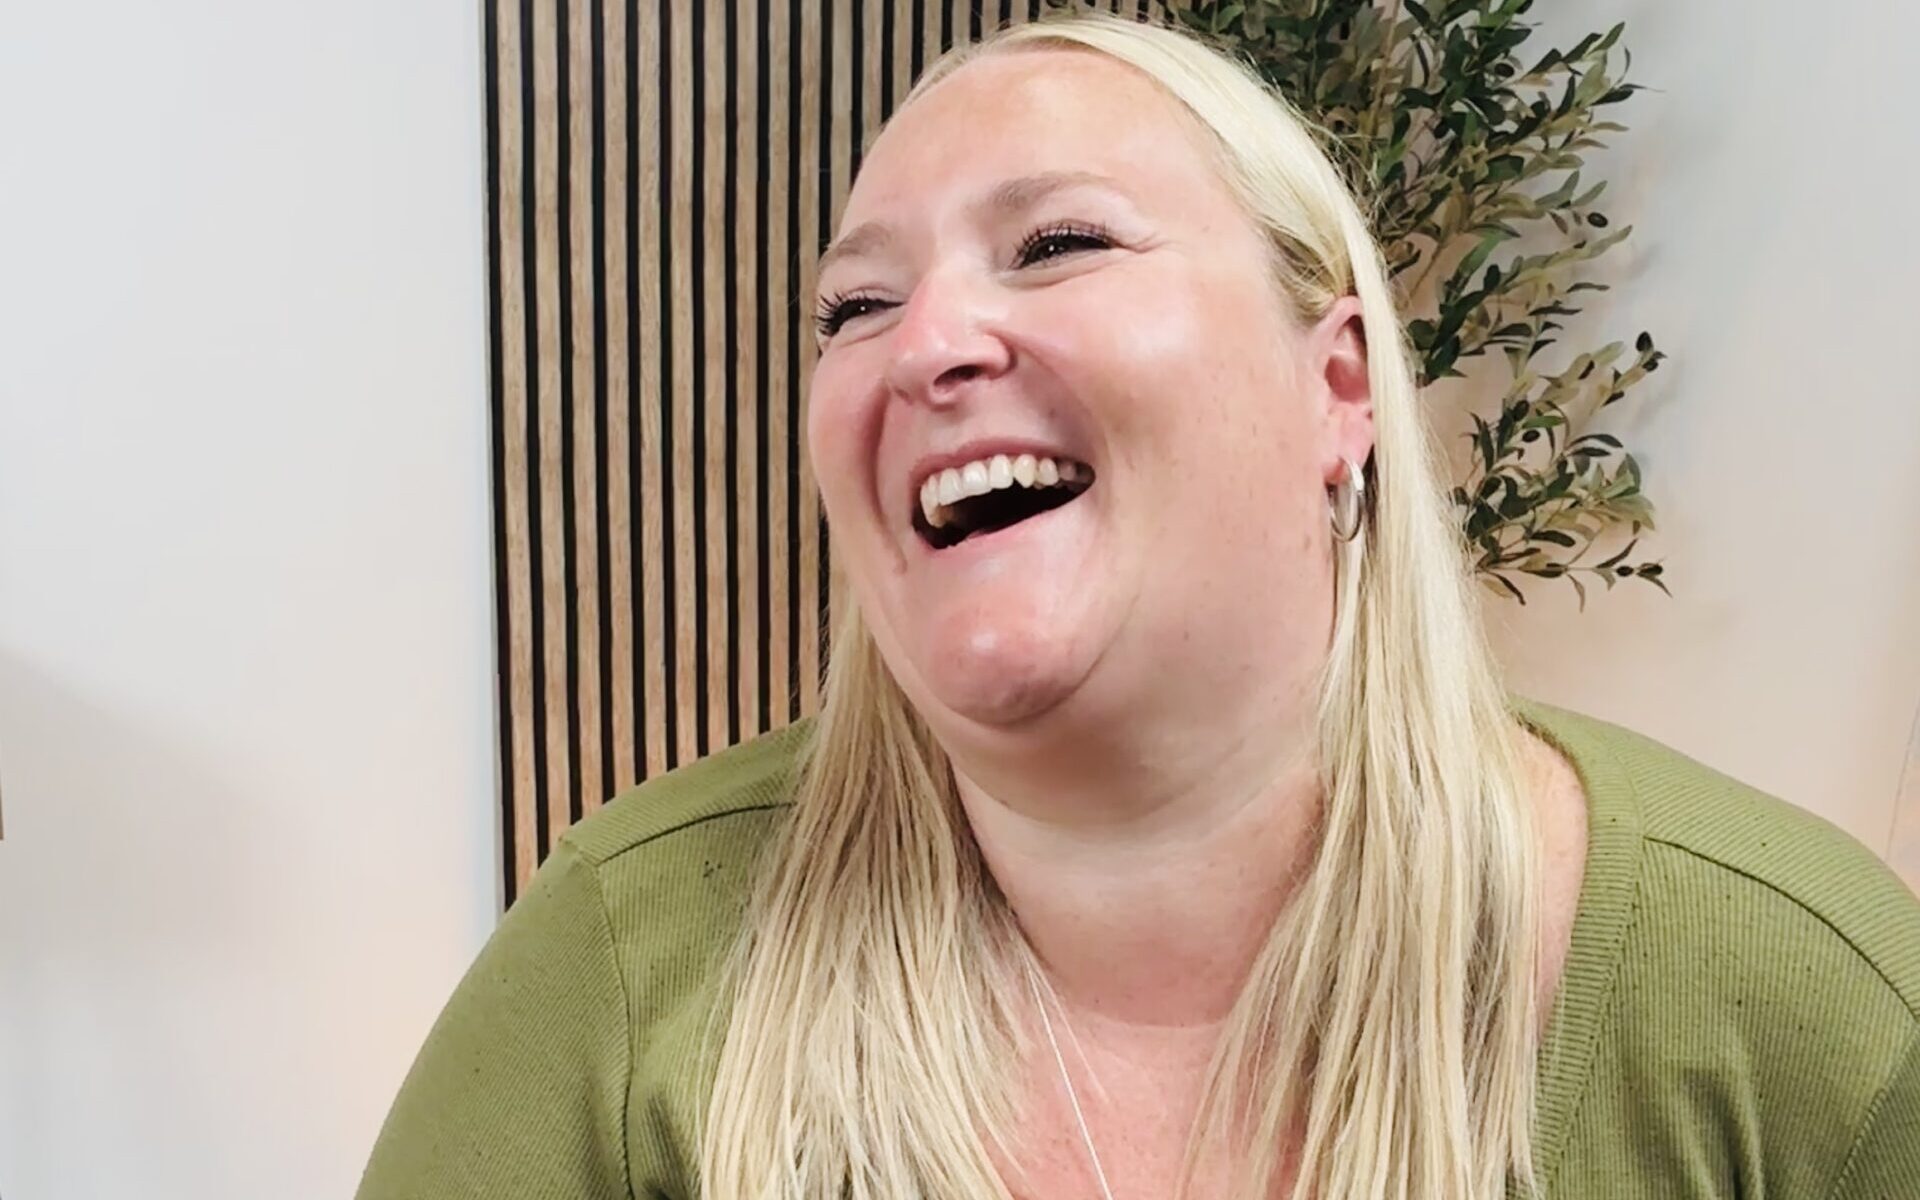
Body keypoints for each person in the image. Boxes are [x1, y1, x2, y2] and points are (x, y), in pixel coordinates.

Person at [357, 12, 1919, 1199]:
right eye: (855, 305)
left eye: (1058, 244)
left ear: (1336, 391)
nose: (926, 346)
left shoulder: (1798, 1007)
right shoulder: (616, 973)